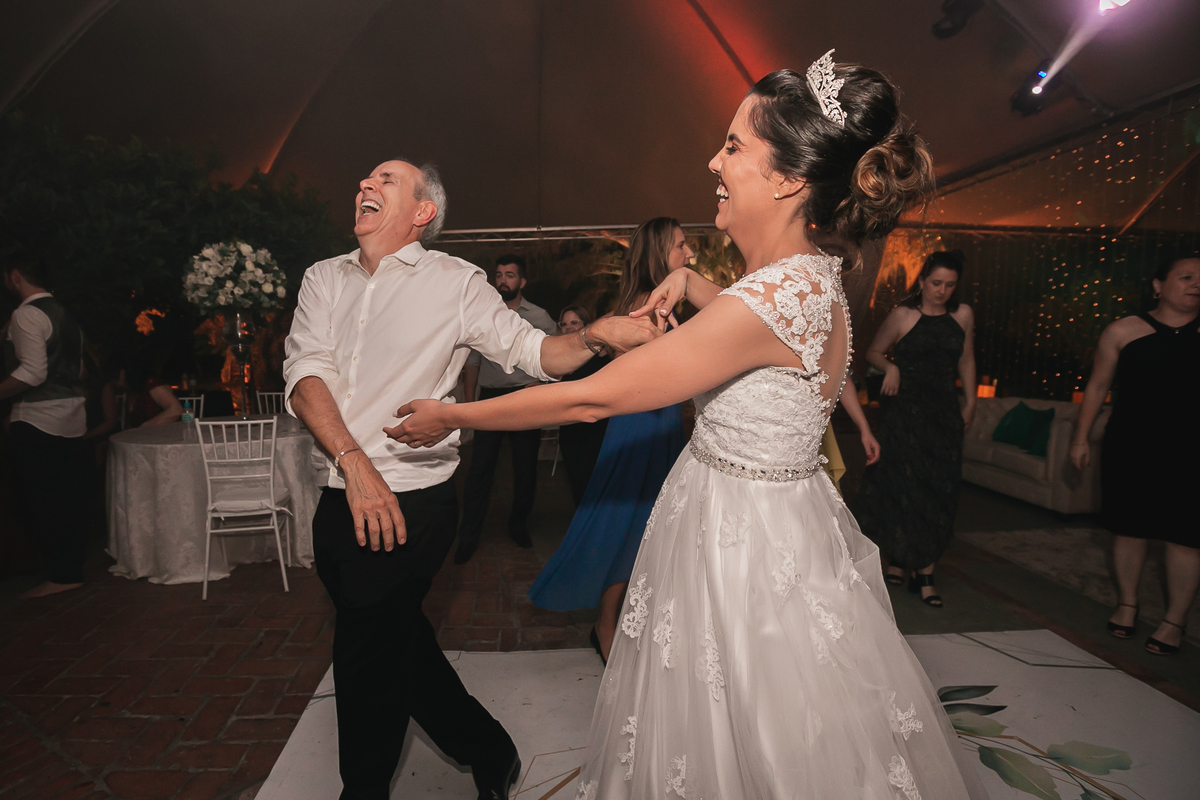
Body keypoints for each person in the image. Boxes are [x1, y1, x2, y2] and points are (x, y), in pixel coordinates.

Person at [390, 55, 987, 799]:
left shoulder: (769, 297)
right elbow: (757, 326)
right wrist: (694, 282)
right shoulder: (817, 276)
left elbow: (592, 400)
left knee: (746, 726)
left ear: (788, 180)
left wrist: (453, 414)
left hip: (741, 547)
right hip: (783, 520)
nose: (714, 158)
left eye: (734, 146)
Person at [282, 158, 658, 800]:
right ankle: (490, 750)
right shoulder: (323, 278)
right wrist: (353, 461)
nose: (365, 185)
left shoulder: (456, 282)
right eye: (365, 178)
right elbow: (303, 374)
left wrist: (597, 337)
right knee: (397, 641)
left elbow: (534, 354)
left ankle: (362, 790)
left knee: (365, 651)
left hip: (415, 500)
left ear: (422, 211)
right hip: (341, 490)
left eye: (387, 180)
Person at [528, 218, 691, 662]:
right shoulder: (643, 309)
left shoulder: (658, 303)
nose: (688, 254)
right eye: (680, 246)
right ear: (660, 252)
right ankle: (606, 625)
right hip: (643, 425)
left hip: (659, 423)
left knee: (646, 528)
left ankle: (631, 623)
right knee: (630, 526)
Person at [1071, 254, 1200, 655]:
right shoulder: (1124, 331)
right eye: (1186, 277)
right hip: (1131, 444)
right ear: (1158, 285)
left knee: (1186, 537)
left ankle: (1174, 621)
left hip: (1192, 451)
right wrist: (1080, 439)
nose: (1196, 284)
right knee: (1129, 529)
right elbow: (1097, 387)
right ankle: (1128, 603)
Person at [852, 250, 976, 607]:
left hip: (943, 414)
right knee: (903, 484)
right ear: (922, 281)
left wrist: (971, 401)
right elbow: (872, 352)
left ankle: (924, 567)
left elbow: (967, 358)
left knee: (940, 487)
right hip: (905, 413)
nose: (942, 290)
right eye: (936, 283)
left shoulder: (963, 315)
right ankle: (903, 560)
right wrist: (891, 367)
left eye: (950, 285)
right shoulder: (903, 316)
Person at [454, 255, 558, 563]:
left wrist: (544, 388)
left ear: (522, 282)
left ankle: (518, 527)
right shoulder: (484, 315)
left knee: (525, 468)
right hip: (489, 399)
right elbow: (472, 361)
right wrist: (471, 403)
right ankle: (468, 537)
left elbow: (556, 359)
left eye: (510, 275)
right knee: (479, 470)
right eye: (498, 275)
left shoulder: (538, 316)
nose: (502, 280)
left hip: (526, 400)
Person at [1, 259, 90, 599]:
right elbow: (79, 369)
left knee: (40, 498)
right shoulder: (64, 315)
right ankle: (70, 568)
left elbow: (33, 373)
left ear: (15, 276)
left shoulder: (25, 314)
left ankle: (61, 573)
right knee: (68, 497)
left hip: (38, 418)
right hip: (72, 414)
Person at [555, 305, 610, 505]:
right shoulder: (557, 361)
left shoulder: (602, 357)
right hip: (570, 430)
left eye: (574, 323)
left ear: (586, 325)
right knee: (577, 484)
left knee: (597, 483)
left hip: (596, 430)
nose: (568, 328)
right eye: (564, 324)